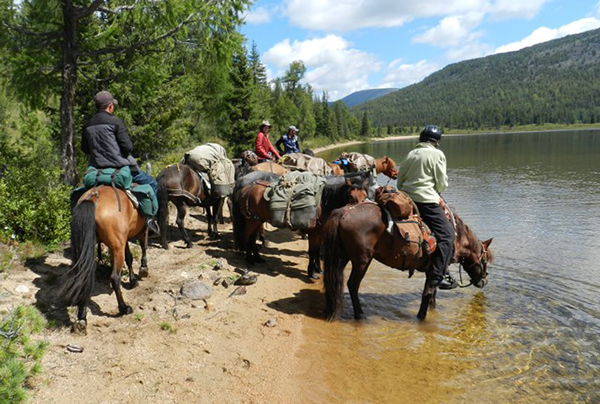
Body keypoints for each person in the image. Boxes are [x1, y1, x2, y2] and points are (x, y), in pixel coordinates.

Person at [81, 90, 160, 234]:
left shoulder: (88, 125)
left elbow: (85, 149)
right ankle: (150, 220)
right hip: (119, 169)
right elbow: (128, 147)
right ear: (110, 106)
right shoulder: (115, 122)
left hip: (96, 171)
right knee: (153, 183)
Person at [396, 125, 458, 290]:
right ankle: (437, 276)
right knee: (448, 235)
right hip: (426, 202)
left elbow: (400, 181)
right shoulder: (437, 154)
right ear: (436, 141)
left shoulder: (410, 154)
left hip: (407, 200)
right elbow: (441, 184)